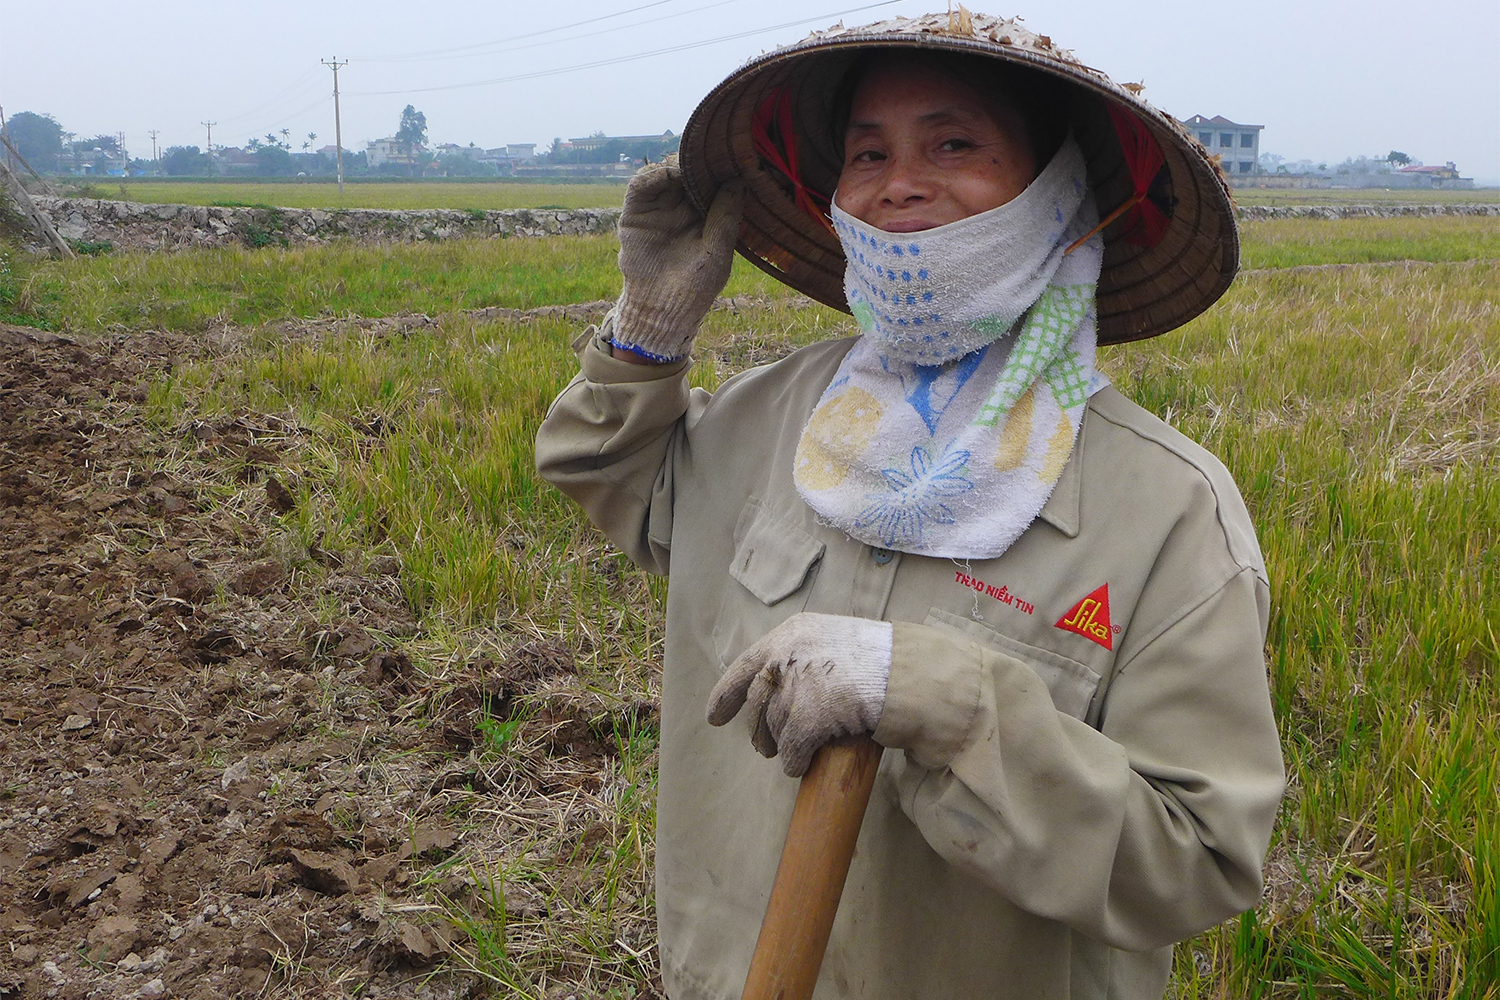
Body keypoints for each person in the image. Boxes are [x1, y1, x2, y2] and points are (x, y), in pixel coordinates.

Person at [536, 11, 1284, 1000]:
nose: (900, 183)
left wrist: (940, 699)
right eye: (867, 152)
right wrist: (646, 336)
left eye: (956, 143)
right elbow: (616, 481)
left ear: (1060, 192)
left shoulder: (1167, 510)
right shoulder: (773, 417)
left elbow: (1196, 860)